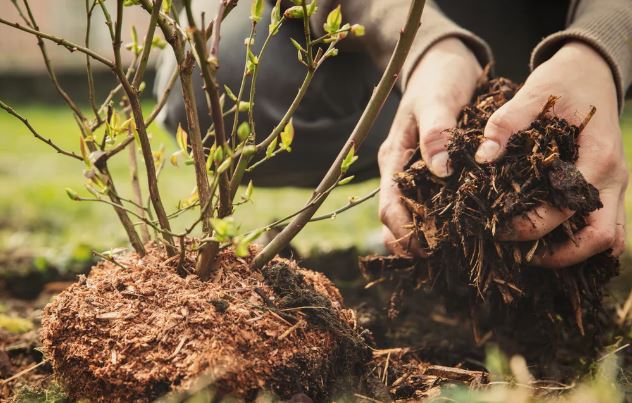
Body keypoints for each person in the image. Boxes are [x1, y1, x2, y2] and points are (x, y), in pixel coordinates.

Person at [155, 0, 632, 268]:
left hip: (573, 15)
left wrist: (602, 48)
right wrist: (423, 45)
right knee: (204, 79)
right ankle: (446, 103)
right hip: (411, 18)